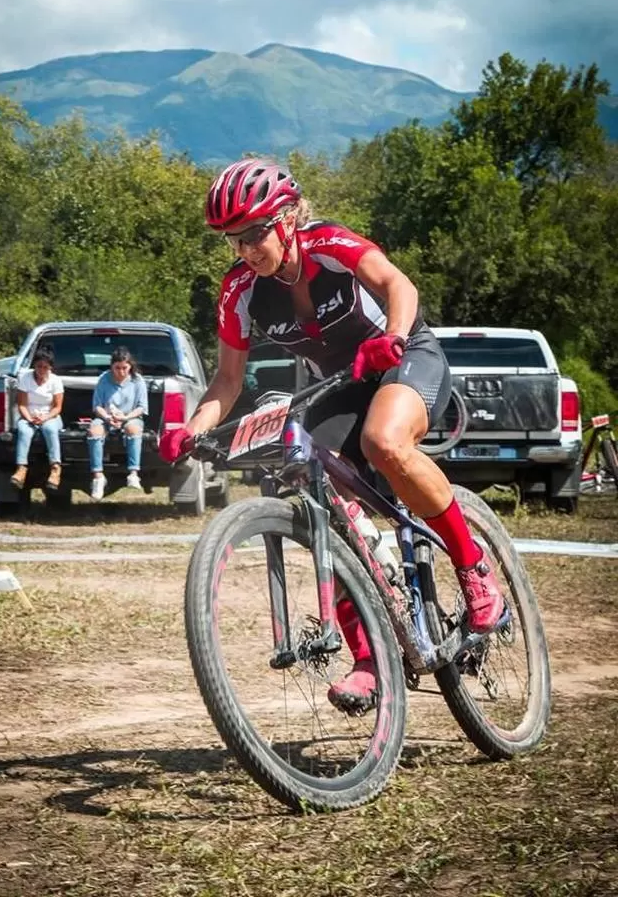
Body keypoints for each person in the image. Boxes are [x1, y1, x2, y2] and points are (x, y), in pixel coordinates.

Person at [159, 157, 504, 713]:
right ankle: (369, 659)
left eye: (253, 234)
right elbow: (226, 381)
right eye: (232, 241)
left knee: (383, 443)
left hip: (401, 357)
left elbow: (398, 283)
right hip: (339, 384)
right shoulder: (240, 291)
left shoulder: (328, 245)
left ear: (288, 218)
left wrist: (391, 336)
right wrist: (191, 429)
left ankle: (474, 568)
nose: (245, 251)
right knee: (322, 503)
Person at [88, 346, 147, 502]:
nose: (121, 372)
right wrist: (107, 417)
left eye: (124, 368)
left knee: (133, 429)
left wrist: (125, 417)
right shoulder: (104, 379)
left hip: (130, 416)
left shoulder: (137, 380)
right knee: (94, 432)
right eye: (117, 368)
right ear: (111, 367)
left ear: (130, 367)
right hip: (106, 416)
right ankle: (98, 477)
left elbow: (141, 407)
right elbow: (97, 406)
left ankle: (133, 473)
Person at [11, 347, 64, 492]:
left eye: (45, 367)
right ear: (34, 365)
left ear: (50, 367)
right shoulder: (25, 379)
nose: (41, 370)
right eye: (39, 366)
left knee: (50, 429)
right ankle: (21, 468)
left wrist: (44, 418)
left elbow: (57, 407)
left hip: (50, 416)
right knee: (23, 431)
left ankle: (55, 468)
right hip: (29, 415)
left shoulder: (55, 381)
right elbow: (21, 404)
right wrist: (29, 418)